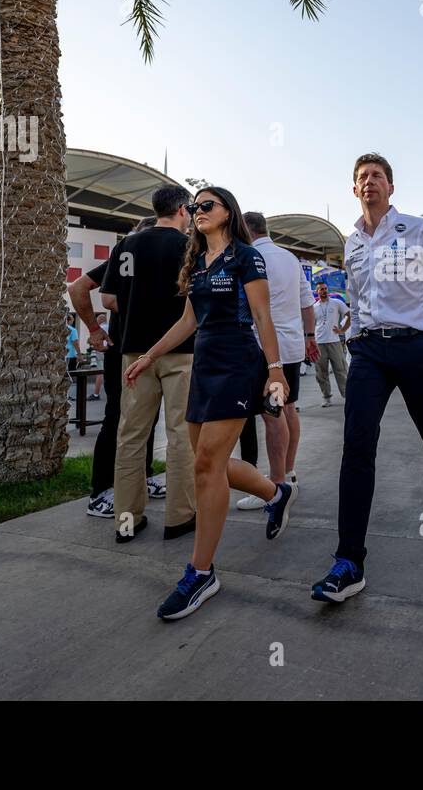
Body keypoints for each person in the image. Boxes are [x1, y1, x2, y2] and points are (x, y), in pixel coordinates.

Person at [125, 185, 294, 621]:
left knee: (205, 466)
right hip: (204, 364)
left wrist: (275, 370)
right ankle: (277, 493)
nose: (198, 211)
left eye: (207, 205)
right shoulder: (197, 263)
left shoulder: (246, 256)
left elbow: (261, 316)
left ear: (227, 212)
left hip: (238, 362)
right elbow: (189, 321)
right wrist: (149, 356)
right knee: (208, 460)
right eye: (194, 207)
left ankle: (201, 572)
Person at [311, 153, 423, 605]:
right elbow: (355, 296)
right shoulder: (352, 242)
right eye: (361, 178)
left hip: (417, 346)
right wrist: (355, 337)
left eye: (377, 176)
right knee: (357, 445)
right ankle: (348, 562)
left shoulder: (417, 229)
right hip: (369, 352)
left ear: (391, 188)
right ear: (354, 190)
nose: (369, 182)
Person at [101, 186, 199, 542]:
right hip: (180, 351)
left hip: (134, 353)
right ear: (183, 211)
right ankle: (179, 517)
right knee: (180, 435)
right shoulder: (189, 247)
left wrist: (137, 304)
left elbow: (108, 297)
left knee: (130, 436)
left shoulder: (126, 245)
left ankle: (126, 520)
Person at [74, 218, 163, 518]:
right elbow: (80, 288)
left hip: (152, 352)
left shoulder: (151, 262)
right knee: (116, 416)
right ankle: (100, 492)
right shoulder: (123, 257)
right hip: (123, 350)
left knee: (148, 415)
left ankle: (145, 477)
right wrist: (94, 330)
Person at [235, 212, 317, 511]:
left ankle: (274, 485)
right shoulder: (290, 258)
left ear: (246, 229)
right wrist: (309, 336)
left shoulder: (248, 255)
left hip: (262, 347)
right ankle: (289, 472)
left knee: (272, 414)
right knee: (288, 408)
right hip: (291, 345)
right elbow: (307, 303)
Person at [312, 281, 350, 407]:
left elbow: (349, 315)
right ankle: (326, 397)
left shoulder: (336, 303)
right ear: (317, 292)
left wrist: (342, 330)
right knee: (321, 372)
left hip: (334, 341)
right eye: (321, 289)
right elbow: (310, 325)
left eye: (325, 288)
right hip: (319, 343)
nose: (324, 291)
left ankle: (347, 395)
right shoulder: (314, 307)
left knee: (341, 370)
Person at [89, 313, 107, 400]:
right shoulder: (110, 327)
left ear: (99, 321)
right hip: (110, 352)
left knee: (99, 373)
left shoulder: (99, 329)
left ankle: (96, 394)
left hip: (101, 351)